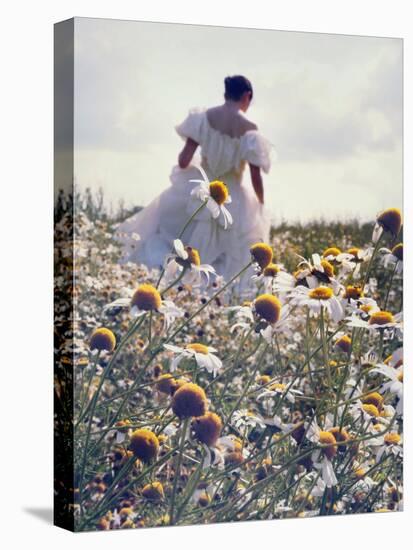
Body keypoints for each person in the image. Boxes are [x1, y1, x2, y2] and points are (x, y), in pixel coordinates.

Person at [116, 75, 274, 292]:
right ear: (246, 96)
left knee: (182, 245)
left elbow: (183, 160)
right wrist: (260, 204)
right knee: (228, 257)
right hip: (233, 198)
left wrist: (202, 167)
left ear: (226, 93)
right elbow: (256, 176)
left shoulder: (203, 118)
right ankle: (216, 298)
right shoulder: (250, 129)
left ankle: (174, 288)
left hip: (201, 188)